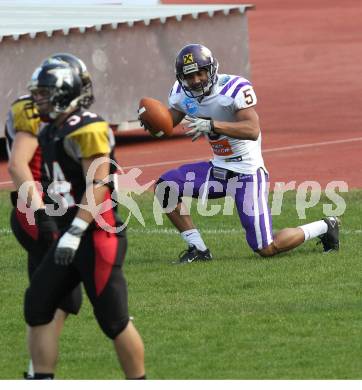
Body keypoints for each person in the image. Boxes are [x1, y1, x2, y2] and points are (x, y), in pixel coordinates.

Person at [150, 43, 339, 264]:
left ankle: (326, 226)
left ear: (211, 70)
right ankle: (198, 249)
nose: (195, 81)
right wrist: (153, 122)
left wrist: (212, 125)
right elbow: (168, 122)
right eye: (189, 77)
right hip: (219, 169)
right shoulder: (182, 94)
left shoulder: (233, 89)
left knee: (266, 247)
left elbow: (252, 129)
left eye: (200, 73)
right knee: (165, 187)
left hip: (247, 173)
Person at [23, 59, 145, 379]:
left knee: (114, 320)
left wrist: (76, 230)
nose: (38, 101)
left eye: (44, 94)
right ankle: (41, 379)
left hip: (95, 234)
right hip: (66, 232)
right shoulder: (51, 129)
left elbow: (99, 183)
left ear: (64, 93)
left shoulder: (87, 126)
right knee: (37, 307)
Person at [5, 52, 93, 378]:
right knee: (62, 297)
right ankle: (37, 374)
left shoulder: (59, 112)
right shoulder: (32, 110)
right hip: (36, 209)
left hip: (54, 205)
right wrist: (42, 215)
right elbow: (18, 164)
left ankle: (35, 374)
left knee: (63, 300)